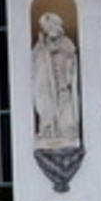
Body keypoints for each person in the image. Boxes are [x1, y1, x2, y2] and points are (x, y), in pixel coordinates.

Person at [31, 12, 81, 148]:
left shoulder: (67, 43)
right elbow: (36, 63)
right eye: (46, 27)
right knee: (46, 105)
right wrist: (43, 50)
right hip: (47, 86)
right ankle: (48, 129)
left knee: (65, 108)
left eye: (51, 25)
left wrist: (58, 54)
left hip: (63, 85)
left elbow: (71, 58)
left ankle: (67, 130)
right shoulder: (41, 45)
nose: (48, 29)